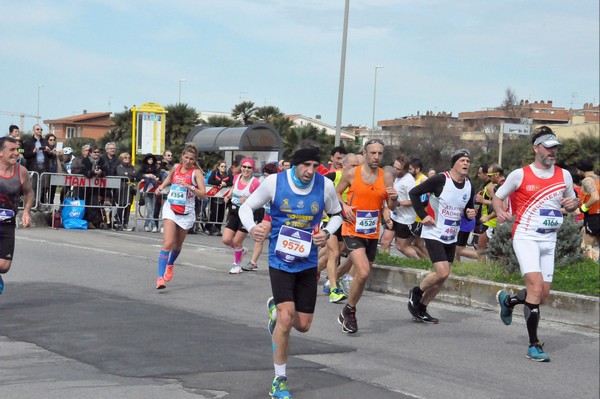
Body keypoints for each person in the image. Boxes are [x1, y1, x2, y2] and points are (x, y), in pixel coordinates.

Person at [239, 141, 343, 399]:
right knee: (286, 319)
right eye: (306, 165)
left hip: (307, 262)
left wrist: (327, 232)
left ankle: (274, 308)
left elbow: (338, 214)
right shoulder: (275, 182)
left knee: (303, 325)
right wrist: (253, 228)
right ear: (295, 164)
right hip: (280, 260)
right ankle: (279, 381)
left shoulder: (325, 185)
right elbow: (245, 207)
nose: (310, 170)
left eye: (315, 165)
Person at [493, 126, 578, 362]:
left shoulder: (564, 175)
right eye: (548, 148)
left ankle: (508, 300)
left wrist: (572, 205)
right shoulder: (519, 175)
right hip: (526, 237)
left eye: (555, 148)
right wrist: (499, 211)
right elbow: (497, 197)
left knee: (542, 295)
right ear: (536, 148)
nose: (553, 152)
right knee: (535, 286)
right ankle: (534, 345)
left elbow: (572, 202)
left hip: (549, 240)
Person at [335, 138, 398, 333]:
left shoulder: (385, 177)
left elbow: (390, 205)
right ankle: (351, 311)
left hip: (371, 232)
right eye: (373, 153)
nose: (376, 157)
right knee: (362, 271)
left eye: (380, 153)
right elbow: (336, 193)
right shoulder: (352, 174)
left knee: (363, 275)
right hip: (352, 229)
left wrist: (394, 199)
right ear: (365, 153)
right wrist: (344, 206)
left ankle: (348, 308)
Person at [407, 149, 476, 324]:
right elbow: (414, 193)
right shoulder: (440, 180)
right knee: (442, 271)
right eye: (462, 160)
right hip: (434, 233)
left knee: (443, 277)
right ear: (453, 164)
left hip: (451, 236)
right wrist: (424, 216)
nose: (466, 164)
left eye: (468, 161)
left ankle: (422, 308)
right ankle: (417, 291)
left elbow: (467, 208)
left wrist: (470, 213)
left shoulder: (469, 184)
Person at [153, 144, 206, 289]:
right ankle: (160, 278)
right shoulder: (176, 167)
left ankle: (170, 263)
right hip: (171, 208)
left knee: (177, 246)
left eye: (191, 159)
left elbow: (203, 194)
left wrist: (190, 186)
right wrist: (161, 187)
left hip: (186, 213)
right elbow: (170, 177)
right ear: (182, 156)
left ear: (195, 160)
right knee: (167, 243)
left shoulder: (196, 173)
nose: (188, 161)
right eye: (186, 157)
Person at [0, 137, 34, 294]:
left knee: (4, 267)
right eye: (11, 150)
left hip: (7, 222)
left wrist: (26, 211)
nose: (16, 153)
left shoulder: (21, 172)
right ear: (1, 152)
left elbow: (29, 193)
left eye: (17, 150)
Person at [222, 158, 260, 274]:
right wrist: (228, 196)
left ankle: (236, 265)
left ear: (252, 169)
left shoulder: (255, 183)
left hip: (247, 215)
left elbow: (259, 199)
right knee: (226, 239)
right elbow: (234, 187)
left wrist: (248, 201)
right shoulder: (237, 177)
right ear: (241, 167)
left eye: (249, 167)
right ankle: (241, 250)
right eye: (244, 166)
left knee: (237, 241)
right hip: (234, 212)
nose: (246, 169)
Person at [242, 162, 278, 271]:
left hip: (280, 216)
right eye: (265, 175)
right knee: (260, 237)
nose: (265, 177)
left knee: (279, 241)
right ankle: (253, 262)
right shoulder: (263, 182)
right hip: (268, 214)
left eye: (268, 175)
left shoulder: (279, 184)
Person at [575, 158, 599, 260]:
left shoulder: (587, 180)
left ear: (580, 170)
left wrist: (582, 209)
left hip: (593, 217)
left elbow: (595, 197)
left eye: (577, 170)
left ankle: (589, 272)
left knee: (588, 249)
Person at [206, 160, 232, 235]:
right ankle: (208, 227)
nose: (223, 168)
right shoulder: (214, 173)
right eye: (222, 166)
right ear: (218, 167)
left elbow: (232, 182)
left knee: (221, 213)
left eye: (225, 166)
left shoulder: (228, 174)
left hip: (224, 198)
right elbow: (210, 181)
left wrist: (225, 184)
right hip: (214, 197)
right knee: (213, 213)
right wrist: (220, 183)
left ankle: (218, 228)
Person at [138, 153, 161, 232]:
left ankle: (146, 225)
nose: (150, 161)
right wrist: (145, 176)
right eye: (149, 159)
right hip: (146, 191)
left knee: (152, 209)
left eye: (151, 159)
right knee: (150, 208)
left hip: (153, 190)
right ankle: (154, 225)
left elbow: (158, 174)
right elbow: (138, 174)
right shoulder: (143, 167)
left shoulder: (155, 167)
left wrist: (156, 177)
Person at [115, 152, 138, 231]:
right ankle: (119, 221)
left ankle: (126, 223)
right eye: (126, 158)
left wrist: (128, 174)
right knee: (121, 205)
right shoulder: (119, 167)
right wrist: (129, 175)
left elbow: (135, 174)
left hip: (130, 189)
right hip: (122, 189)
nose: (128, 159)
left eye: (129, 157)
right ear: (122, 159)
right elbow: (121, 175)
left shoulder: (132, 167)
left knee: (128, 206)